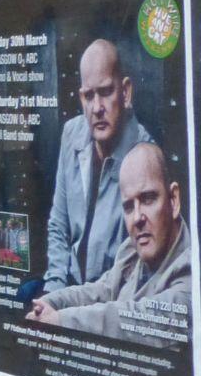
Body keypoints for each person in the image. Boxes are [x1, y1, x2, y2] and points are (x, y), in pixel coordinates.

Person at [29, 141, 190, 346]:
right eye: (129, 207)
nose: (137, 218)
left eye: (148, 199)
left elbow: (137, 319)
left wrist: (61, 321)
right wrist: (50, 302)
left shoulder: (190, 272)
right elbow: (100, 291)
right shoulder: (132, 251)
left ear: (173, 200)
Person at [43, 39, 152, 293]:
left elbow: (132, 272)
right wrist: (53, 290)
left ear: (125, 92)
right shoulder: (71, 133)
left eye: (105, 92)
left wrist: (68, 306)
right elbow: (58, 224)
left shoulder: (145, 155)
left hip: (110, 298)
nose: (97, 108)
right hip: (68, 289)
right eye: (89, 96)